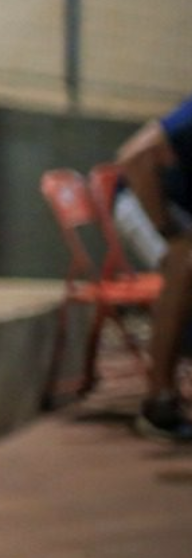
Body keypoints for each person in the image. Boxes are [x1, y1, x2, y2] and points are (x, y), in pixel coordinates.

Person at [111, 97, 192, 442]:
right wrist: (167, 232)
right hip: (144, 200)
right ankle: (159, 403)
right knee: (186, 264)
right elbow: (133, 156)